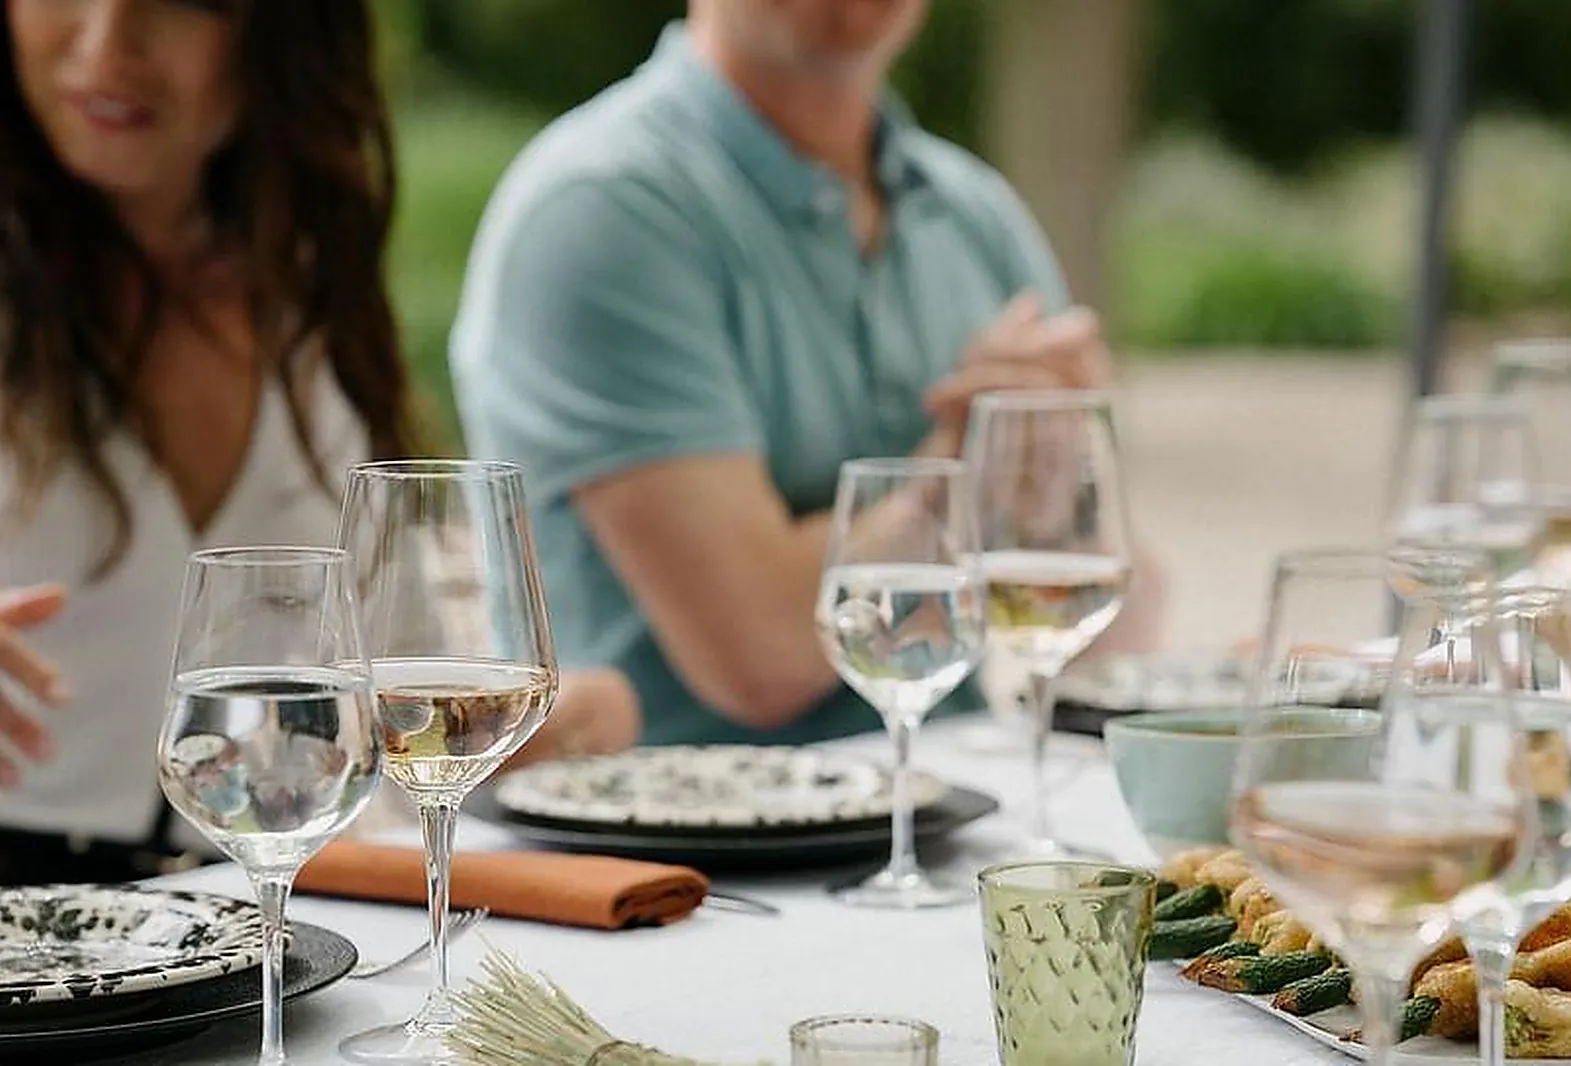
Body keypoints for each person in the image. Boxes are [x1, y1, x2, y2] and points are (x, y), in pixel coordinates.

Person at [0, 0, 638, 886]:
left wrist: (545, 720)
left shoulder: (307, 282)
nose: (107, 45)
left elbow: (366, 654)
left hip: (273, 907)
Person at [451, 0, 1165, 748]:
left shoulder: (973, 212)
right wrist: (962, 464)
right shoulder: (605, 212)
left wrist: (1063, 482)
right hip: (674, 847)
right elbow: (757, 660)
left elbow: (1118, 625)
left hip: (942, 823)